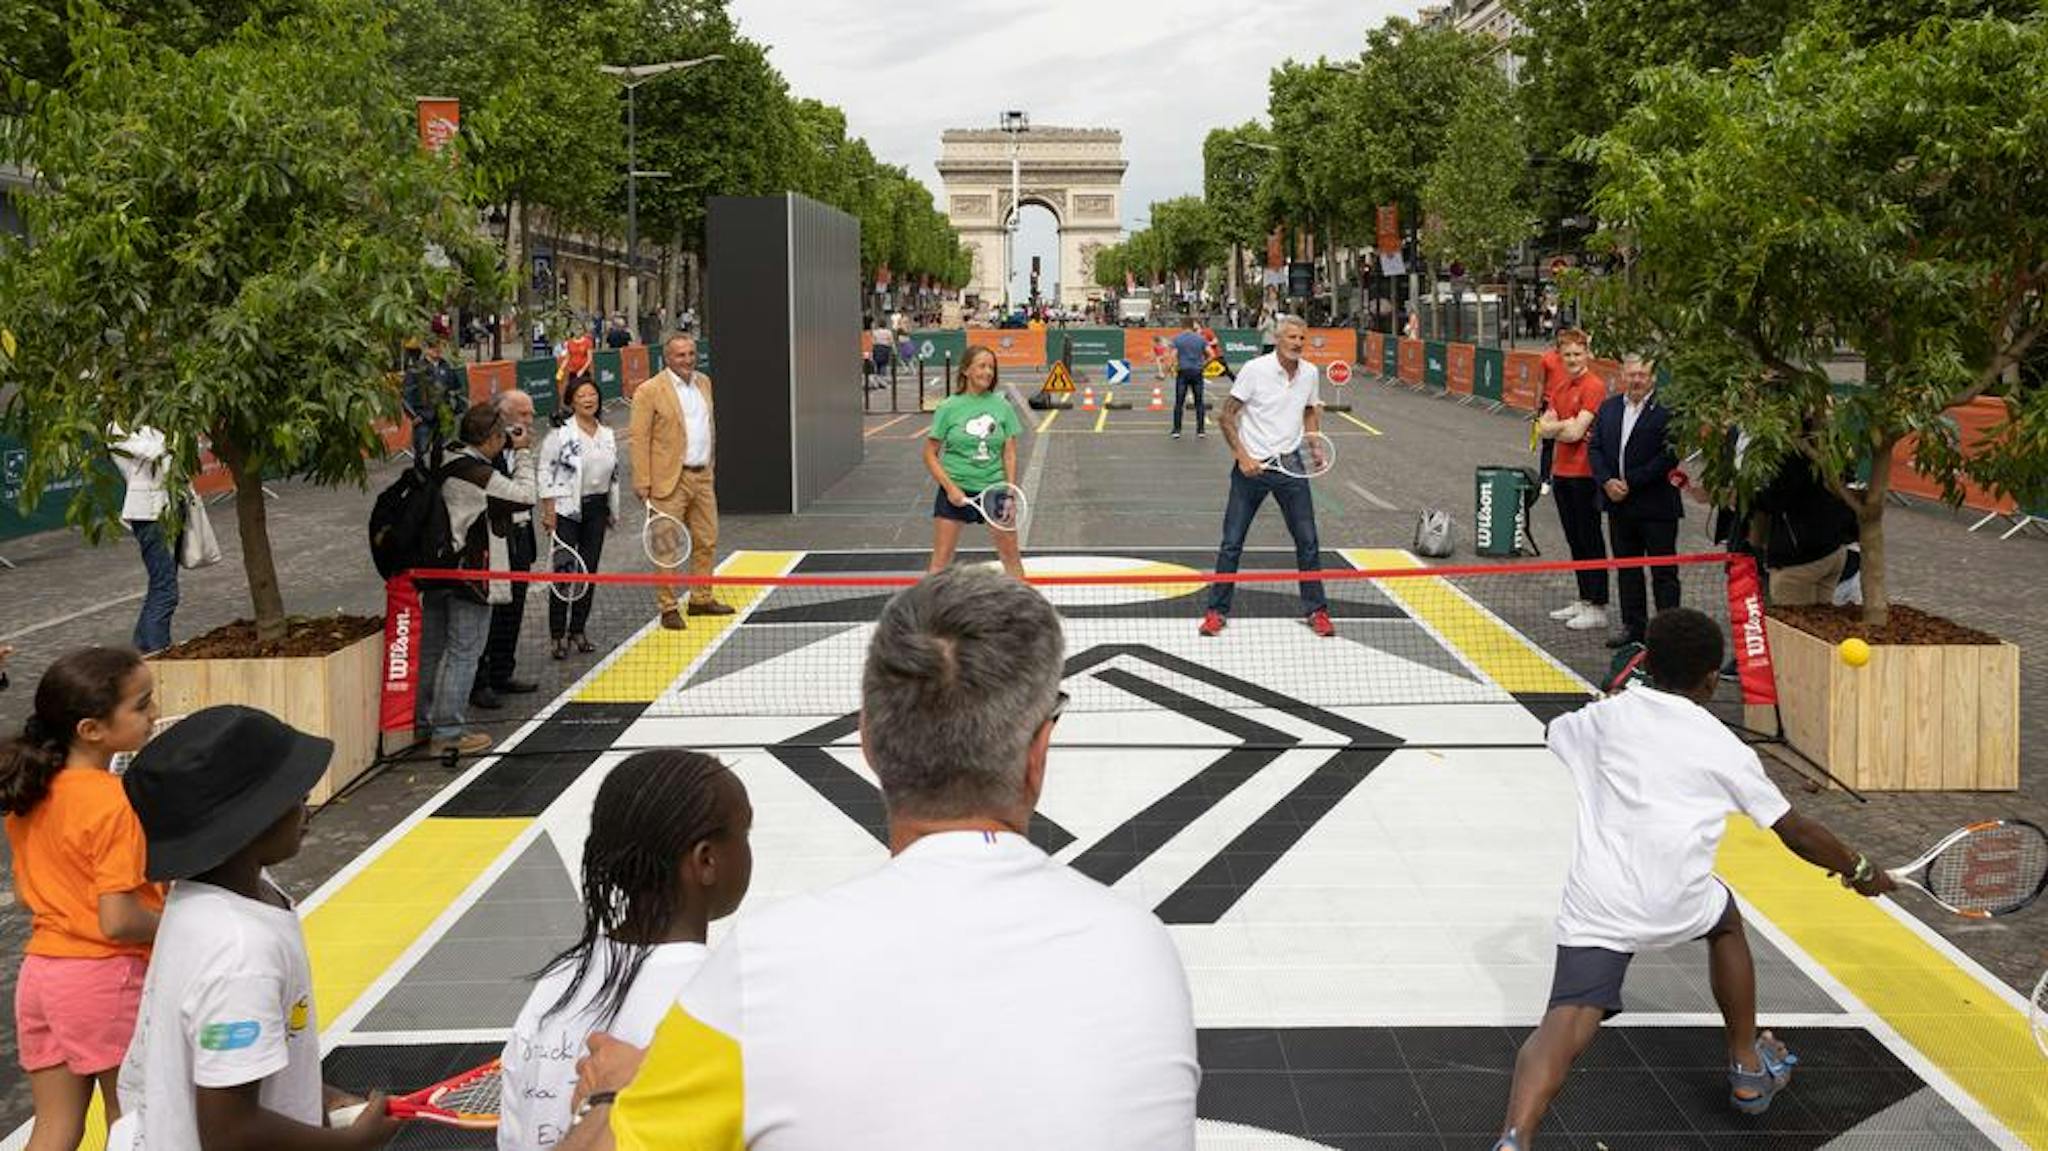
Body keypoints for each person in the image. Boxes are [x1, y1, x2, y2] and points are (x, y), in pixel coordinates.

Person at [555, 566, 1199, 1151]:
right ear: (1037, 755)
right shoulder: (1143, 948)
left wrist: (624, 1094)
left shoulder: (766, 967)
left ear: (868, 740)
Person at [1493, 609, 1892, 1150]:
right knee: (1725, 923)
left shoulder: (1602, 720)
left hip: (1601, 902)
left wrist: (1608, 703)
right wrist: (1860, 869)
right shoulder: (1726, 747)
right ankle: (1748, 1066)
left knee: (1567, 1017)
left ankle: (1516, 1137)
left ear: (1647, 663)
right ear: (1709, 680)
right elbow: (1794, 831)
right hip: (1678, 900)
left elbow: (1554, 730)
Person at [111, 706, 401, 1151]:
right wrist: (353, 1144)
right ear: (246, 824)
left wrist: (318, 1096)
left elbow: (226, 1070)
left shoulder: (210, 897)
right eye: (293, 795)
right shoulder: (241, 952)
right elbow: (231, 1133)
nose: (308, 803)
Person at [499, 750, 750, 1151]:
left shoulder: (556, 983)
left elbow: (513, 1134)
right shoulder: (727, 996)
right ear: (706, 860)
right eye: (745, 834)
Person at [1, 647, 163, 1150]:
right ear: (91, 729)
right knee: (131, 1122)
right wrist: (178, 922)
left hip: (42, 976)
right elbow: (116, 919)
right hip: (104, 979)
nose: (154, 713)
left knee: (54, 1127)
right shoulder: (114, 800)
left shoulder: (31, 789)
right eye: (141, 705)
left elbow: (31, 896)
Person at [1202, 315, 1333, 639]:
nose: (1297, 343)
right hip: (1253, 467)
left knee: (1308, 542)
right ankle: (1216, 612)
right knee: (1232, 543)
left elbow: (1308, 410)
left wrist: (1313, 443)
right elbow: (1226, 415)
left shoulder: (1309, 374)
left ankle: (1316, 611)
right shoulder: (1255, 370)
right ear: (1277, 339)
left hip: (1291, 466)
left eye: (1302, 338)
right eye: (1291, 337)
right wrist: (1242, 457)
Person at [418, 404, 537, 756]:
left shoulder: (444, 457)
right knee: (464, 653)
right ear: (491, 438)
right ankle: (448, 732)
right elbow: (525, 496)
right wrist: (525, 453)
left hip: (435, 568)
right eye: (502, 437)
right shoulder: (478, 474)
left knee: (432, 651)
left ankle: (422, 724)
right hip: (470, 574)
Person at [629, 335, 728, 630]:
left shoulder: (704, 383)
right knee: (665, 546)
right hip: (667, 479)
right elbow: (639, 438)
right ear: (667, 358)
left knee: (707, 540)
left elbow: (707, 426)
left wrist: (710, 465)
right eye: (680, 355)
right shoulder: (649, 390)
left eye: (691, 354)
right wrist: (642, 481)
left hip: (702, 476)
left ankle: (701, 598)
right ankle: (668, 607)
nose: (687, 359)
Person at [1588, 354, 1682, 648]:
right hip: (1619, 505)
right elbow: (1595, 448)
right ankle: (1634, 627)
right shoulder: (1609, 407)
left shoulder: (1668, 411)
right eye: (1631, 375)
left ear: (1652, 377)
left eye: (1642, 375)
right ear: (1622, 375)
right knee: (1628, 570)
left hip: (1656, 507)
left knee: (1663, 573)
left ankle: (1668, 632)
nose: (1636, 380)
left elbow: (1668, 456)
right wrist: (1606, 482)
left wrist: (1632, 482)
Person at [923, 345, 1026, 579]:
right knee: (940, 563)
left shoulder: (1003, 407)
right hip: (956, 490)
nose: (988, 372)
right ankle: (928, 613)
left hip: (995, 490)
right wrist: (951, 489)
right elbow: (929, 454)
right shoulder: (948, 407)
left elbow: (1009, 454)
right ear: (966, 371)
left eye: (991, 367)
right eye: (982, 366)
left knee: (1011, 558)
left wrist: (1009, 494)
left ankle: (1025, 613)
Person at [539, 376, 622, 661]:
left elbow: (613, 476)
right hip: (566, 511)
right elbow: (545, 472)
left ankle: (578, 630)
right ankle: (557, 635)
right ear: (572, 401)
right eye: (582, 395)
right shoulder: (560, 434)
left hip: (597, 511)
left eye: (593, 395)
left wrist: (612, 508)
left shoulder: (607, 434)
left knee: (588, 573)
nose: (589, 399)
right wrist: (549, 510)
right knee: (564, 573)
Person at [1536, 330, 1611, 632]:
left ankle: (1598, 604)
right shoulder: (1561, 386)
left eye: (1578, 354)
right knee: (1573, 538)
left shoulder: (1594, 386)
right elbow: (1543, 428)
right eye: (1567, 355)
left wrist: (1560, 426)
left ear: (1587, 355)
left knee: (1590, 538)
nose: (1572, 360)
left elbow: (1575, 433)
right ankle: (1583, 598)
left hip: (1585, 474)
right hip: (1562, 472)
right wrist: (1561, 426)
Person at [475, 390, 541, 710]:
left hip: (521, 537)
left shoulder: (523, 446)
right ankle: (482, 679)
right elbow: (513, 492)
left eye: (530, 414)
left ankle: (503, 671)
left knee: (514, 608)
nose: (529, 421)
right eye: (523, 415)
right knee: (492, 612)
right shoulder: (487, 451)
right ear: (503, 417)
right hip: (495, 539)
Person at [1750, 441, 1857, 606]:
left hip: (1800, 558)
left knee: (1795, 625)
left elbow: (1773, 499)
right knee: (1821, 621)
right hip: (1832, 549)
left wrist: (1748, 495)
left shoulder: (1791, 453)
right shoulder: (1827, 442)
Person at [107, 425, 178, 655]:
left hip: (168, 510)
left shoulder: (152, 421)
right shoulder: (116, 428)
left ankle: (144, 648)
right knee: (166, 590)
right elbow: (155, 451)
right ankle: (157, 652)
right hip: (148, 513)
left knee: (162, 586)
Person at [402, 336, 464, 467]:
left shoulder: (446, 366)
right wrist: (413, 415)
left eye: (439, 346)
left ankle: (435, 478)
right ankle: (420, 479)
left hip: (442, 416)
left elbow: (456, 388)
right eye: (432, 346)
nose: (436, 349)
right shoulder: (416, 368)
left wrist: (456, 409)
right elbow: (406, 394)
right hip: (423, 415)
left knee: (438, 449)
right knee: (421, 451)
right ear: (426, 349)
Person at [1169, 316, 1209, 439]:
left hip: (1183, 371)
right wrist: (1203, 364)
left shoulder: (1177, 339)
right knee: (1199, 402)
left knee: (1179, 402)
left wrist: (1172, 368)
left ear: (1182, 326)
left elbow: (1173, 356)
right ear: (1193, 326)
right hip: (1197, 371)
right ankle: (1200, 430)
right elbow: (1211, 354)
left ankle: (1177, 430)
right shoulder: (1200, 339)